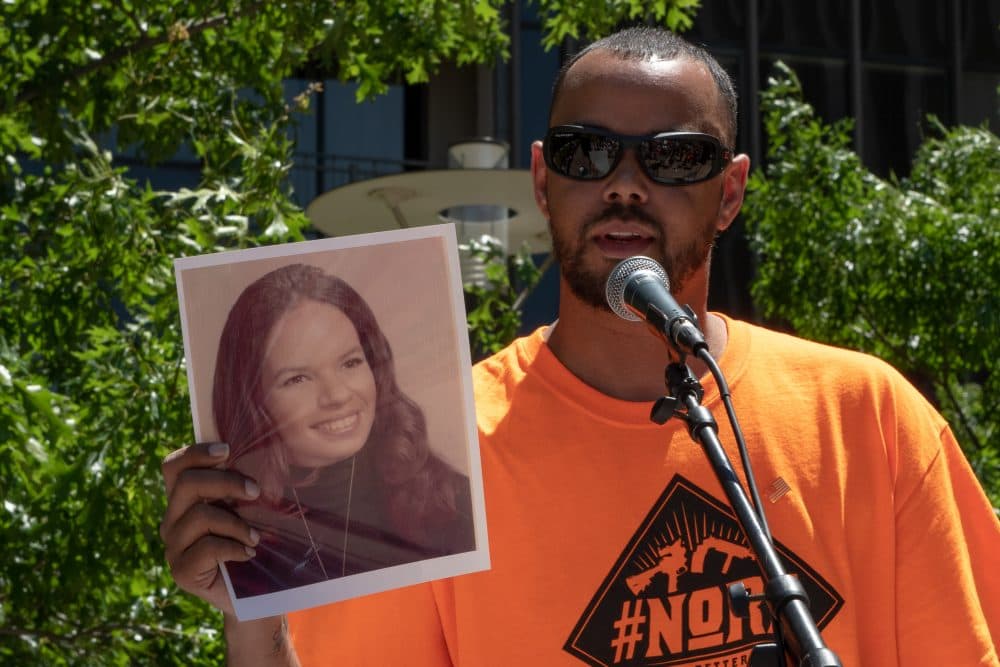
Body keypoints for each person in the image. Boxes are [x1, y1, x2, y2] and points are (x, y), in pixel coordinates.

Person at [160, 27, 1000, 666]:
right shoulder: (439, 456)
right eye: (586, 151)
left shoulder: (869, 415)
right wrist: (253, 609)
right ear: (541, 179)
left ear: (731, 190)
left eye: (674, 157)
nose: (625, 183)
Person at [195, 263, 474, 598]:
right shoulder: (231, 540)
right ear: (251, 401)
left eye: (351, 363)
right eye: (297, 378)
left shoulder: (452, 502)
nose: (338, 395)